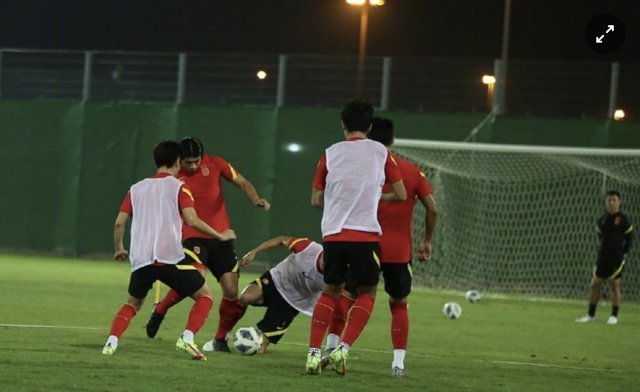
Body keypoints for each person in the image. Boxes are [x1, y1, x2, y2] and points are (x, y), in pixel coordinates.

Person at [323, 117, 438, 377]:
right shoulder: (411, 171)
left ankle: (333, 348)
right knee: (398, 304)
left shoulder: (355, 168)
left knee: (347, 296)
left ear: (368, 134)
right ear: (393, 140)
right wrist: (427, 240)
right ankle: (397, 364)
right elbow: (432, 208)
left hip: (364, 244)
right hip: (399, 251)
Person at [102, 141, 236, 360]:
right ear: (177, 162)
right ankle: (187, 338)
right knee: (205, 296)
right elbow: (192, 219)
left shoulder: (136, 188)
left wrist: (119, 248)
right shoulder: (179, 187)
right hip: (169, 260)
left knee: (132, 304)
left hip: (142, 260)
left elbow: (119, 223)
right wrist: (220, 235)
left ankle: (112, 341)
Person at [306, 99, 407, 375]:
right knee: (367, 291)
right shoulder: (380, 152)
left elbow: (316, 200)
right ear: (370, 126)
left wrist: (340, 199)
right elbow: (400, 194)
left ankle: (314, 353)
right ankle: (343, 349)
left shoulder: (330, 153)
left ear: (343, 125)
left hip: (334, 234)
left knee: (331, 291)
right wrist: (374, 196)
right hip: (364, 235)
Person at [145, 137, 271, 353]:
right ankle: (161, 310)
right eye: (188, 162)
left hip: (222, 238)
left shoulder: (216, 163)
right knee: (195, 281)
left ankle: (220, 339)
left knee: (231, 291)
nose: (193, 166)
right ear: (178, 160)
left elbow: (242, 182)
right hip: (193, 236)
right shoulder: (172, 177)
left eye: (197, 161)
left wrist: (255, 198)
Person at [202, 235, 325, 354]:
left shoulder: (334, 275)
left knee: (259, 348)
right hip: (276, 279)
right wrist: (254, 252)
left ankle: (260, 341)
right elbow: (281, 240)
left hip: (292, 302)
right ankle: (223, 337)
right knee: (245, 298)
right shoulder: (308, 248)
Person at [576, 190, 633, 325]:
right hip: (602, 257)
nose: (611, 203)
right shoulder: (602, 220)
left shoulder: (624, 220)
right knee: (595, 284)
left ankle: (614, 316)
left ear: (620, 202)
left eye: (614, 200)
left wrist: (624, 252)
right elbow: (601, 237)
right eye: (609, 200)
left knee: (614, 284)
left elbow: (629, 238)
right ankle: (591, 315)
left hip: (617, 258)